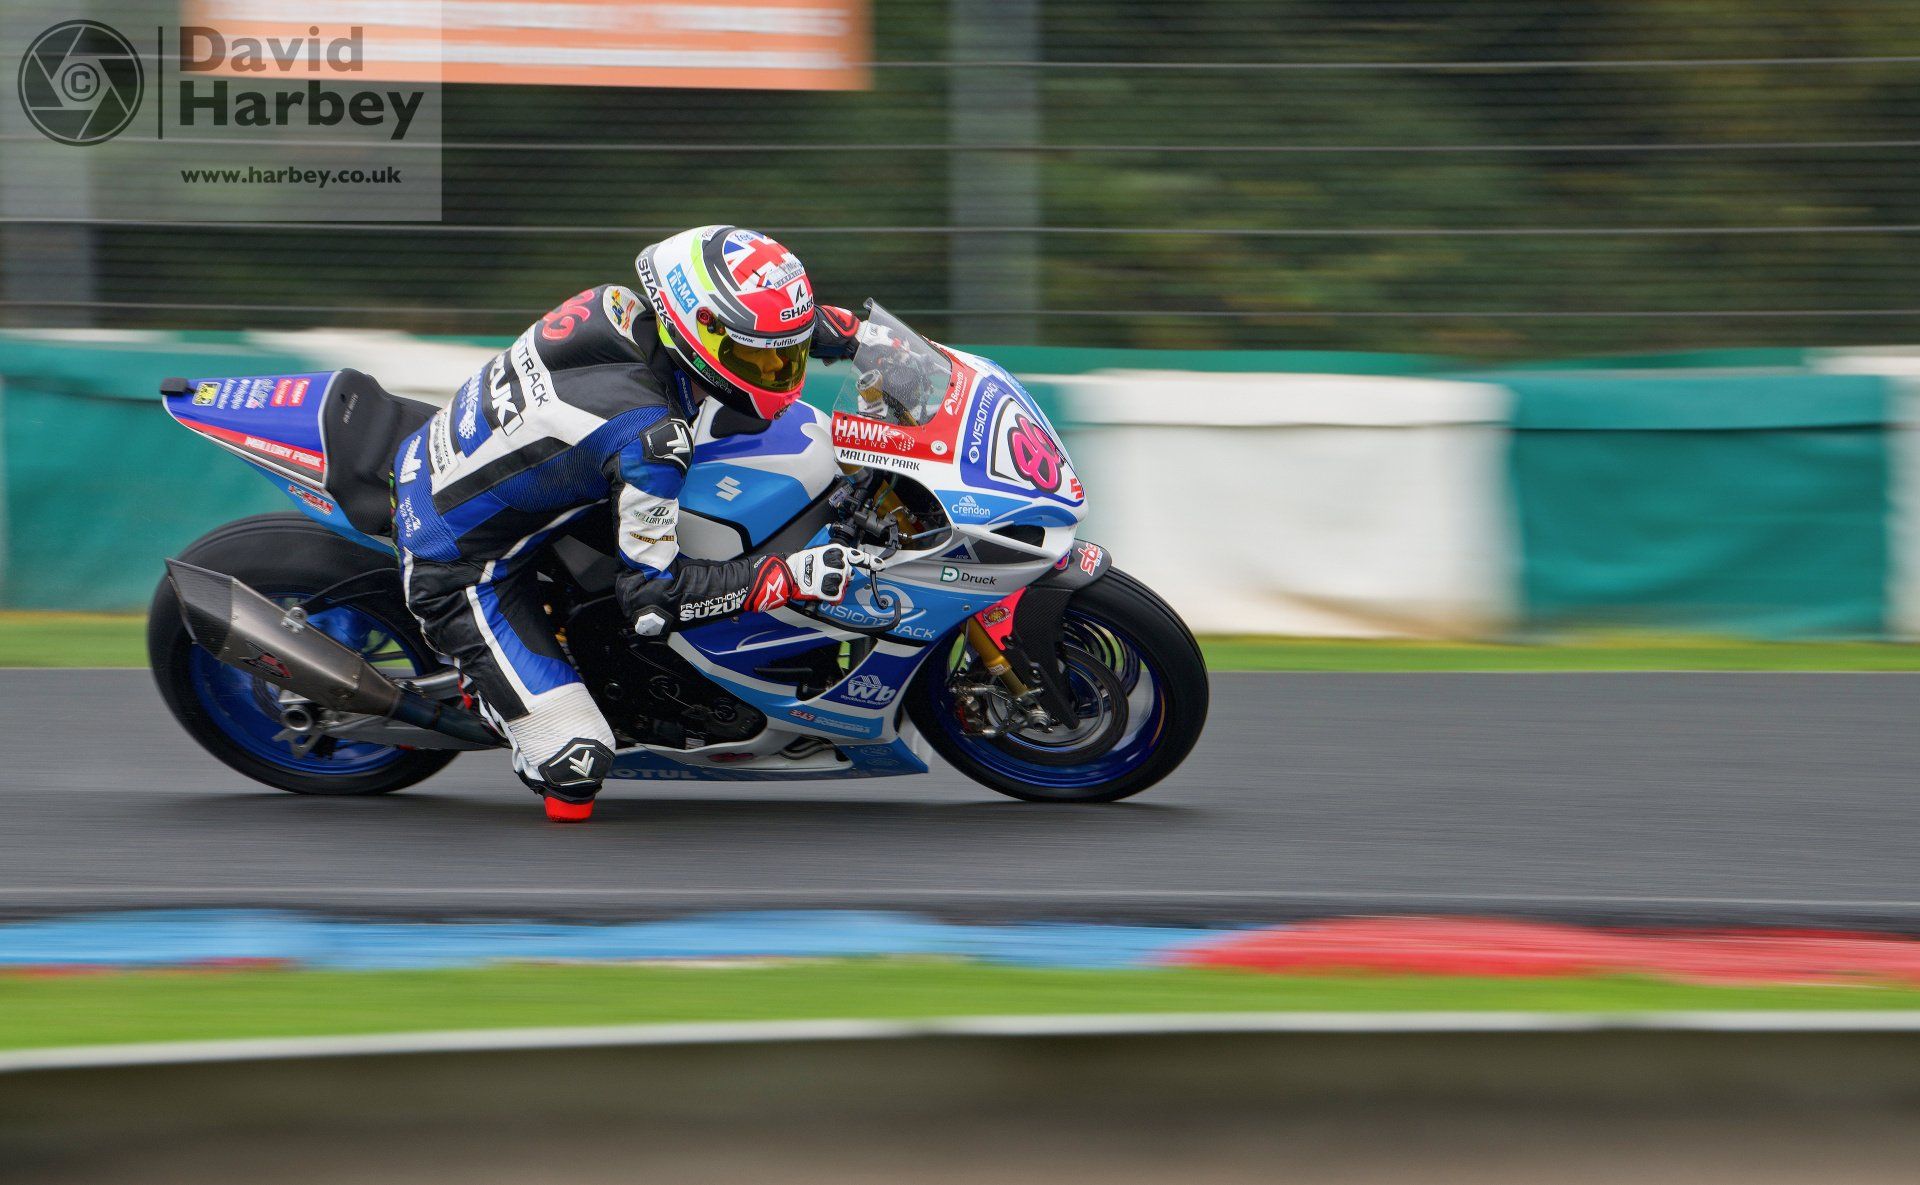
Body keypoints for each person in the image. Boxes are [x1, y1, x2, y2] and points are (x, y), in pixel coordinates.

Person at [390, 225, 870, 822]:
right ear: (697, 335)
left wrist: (871, 342)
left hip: (510, 473)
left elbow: (773, 327)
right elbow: (649, 600)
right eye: (760, 356)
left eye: (786, 352)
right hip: (461, 562)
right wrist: (785, 577)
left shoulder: (622, 306)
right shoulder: (651, 438)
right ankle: (491, 695)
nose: (779, 369)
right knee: (576, 769)